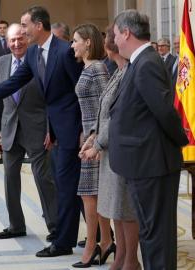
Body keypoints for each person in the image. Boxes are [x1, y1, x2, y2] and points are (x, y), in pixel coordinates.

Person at [0, 6, 83, 257]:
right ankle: (65, 241)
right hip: (54, 130)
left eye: (25, 24)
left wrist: (86, 130)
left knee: (66, 186)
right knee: (66, 185)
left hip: (70, 130)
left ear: (39, 26)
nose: (21, 29)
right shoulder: (33, 54)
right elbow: (13, 82)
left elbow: (81, 92)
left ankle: (69, 239)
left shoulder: (65, 51)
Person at [110, 9, 188, 269]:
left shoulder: (147, 63)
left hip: (151, 164)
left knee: (156, 236)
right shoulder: (139, 61)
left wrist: (181, 141)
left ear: (126, 33)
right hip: (143, 163)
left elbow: (165, 111)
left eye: (115, 34)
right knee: (151, 233)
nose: (114, 40)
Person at [0, 23, 57, 242]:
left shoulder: (40, 61)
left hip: (36, 129)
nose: (16, 43)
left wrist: (50, 129)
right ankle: (16, 225)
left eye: (20, 38)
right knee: (10, 179)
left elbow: (50, 100)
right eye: (12, 40)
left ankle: (55, 226)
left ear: (27, 39)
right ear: (7, 42)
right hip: (10, 129)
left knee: (43, 178)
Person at [80, 25, 140, 270]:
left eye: (108, 37)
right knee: (117, 206)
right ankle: (121, 258)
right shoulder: (117, 70)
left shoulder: (126, 71)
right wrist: (92, 137)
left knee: (125, 207)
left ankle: (129, 261)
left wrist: (98, 144)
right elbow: (103, 109)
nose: (106, 40)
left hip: (119, 148)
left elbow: (116, 116)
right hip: (108, 148)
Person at [70, 23, 111, 268]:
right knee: (94, 193)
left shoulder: (97, 68)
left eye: (75, 40)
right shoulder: (88, 68)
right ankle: (106, 242)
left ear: (88, 42)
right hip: (89, 136)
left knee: (89, 194)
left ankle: (91, 246)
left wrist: (94, 137)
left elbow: (106, 107)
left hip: (96, 140)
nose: (72, 45)